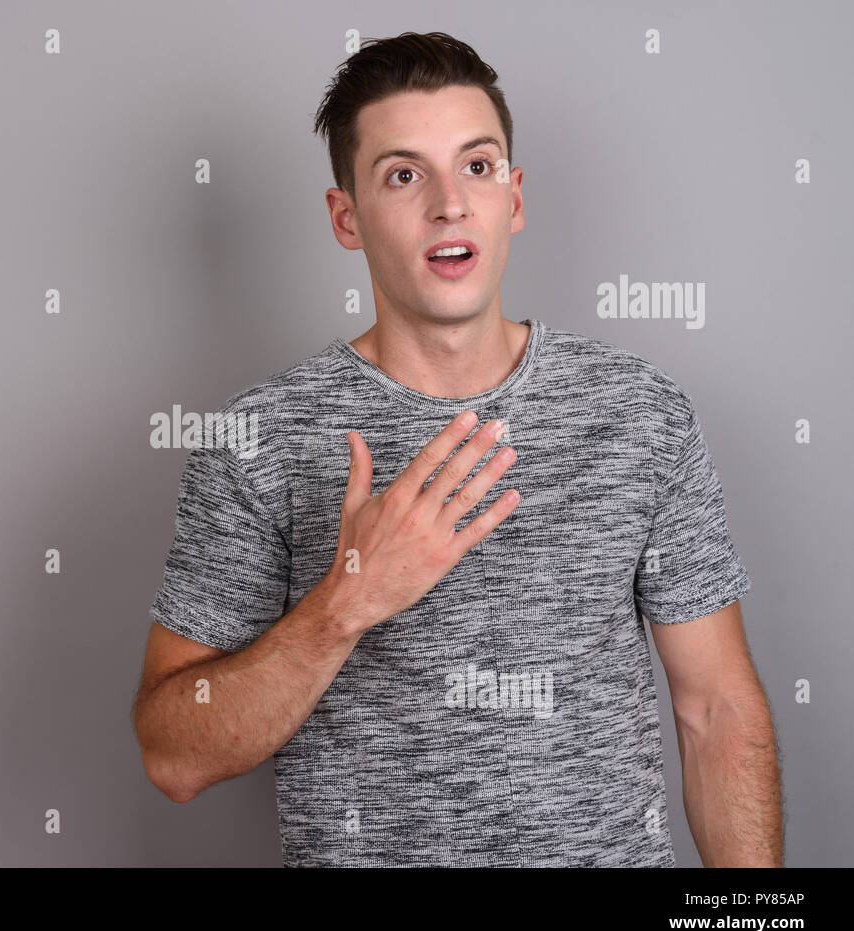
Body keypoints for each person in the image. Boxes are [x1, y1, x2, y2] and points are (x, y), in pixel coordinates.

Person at [133, 31, 781, 867]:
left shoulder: (640, 414)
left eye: (476, 166)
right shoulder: (259, 439)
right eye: (404, 175)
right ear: (346, 218)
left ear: (513, 198)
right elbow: (174, 755)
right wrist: (349, 602)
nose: (449, 203)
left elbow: (717, 708)